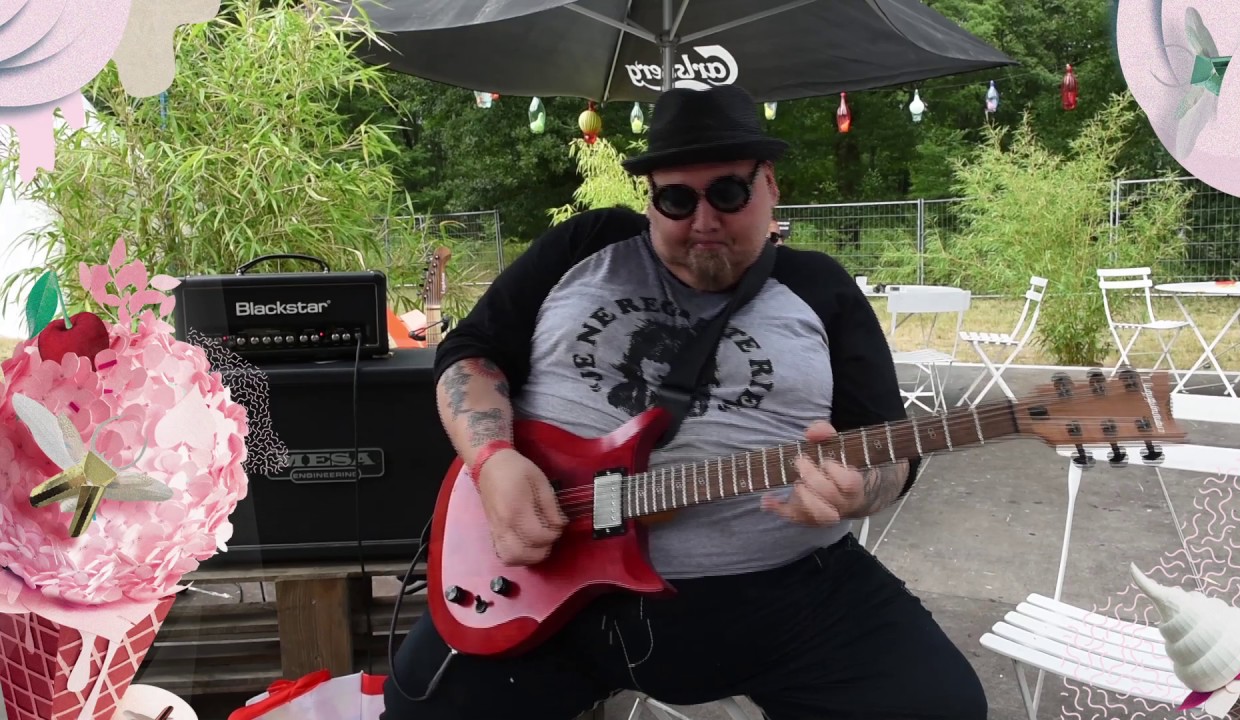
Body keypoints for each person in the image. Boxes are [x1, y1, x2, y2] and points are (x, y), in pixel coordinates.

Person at [385, 85, 987, 720]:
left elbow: (889, 445)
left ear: (770, 184)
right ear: (650, 199)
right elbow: (472, 352)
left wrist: (858, 491)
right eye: (676, 199)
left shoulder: (820, 287)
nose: (703, 221)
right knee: (419, 711)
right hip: (547, 577)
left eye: (727, 192)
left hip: (788, 599)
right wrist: (493, 460)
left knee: (941, 708)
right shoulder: (585, 245)